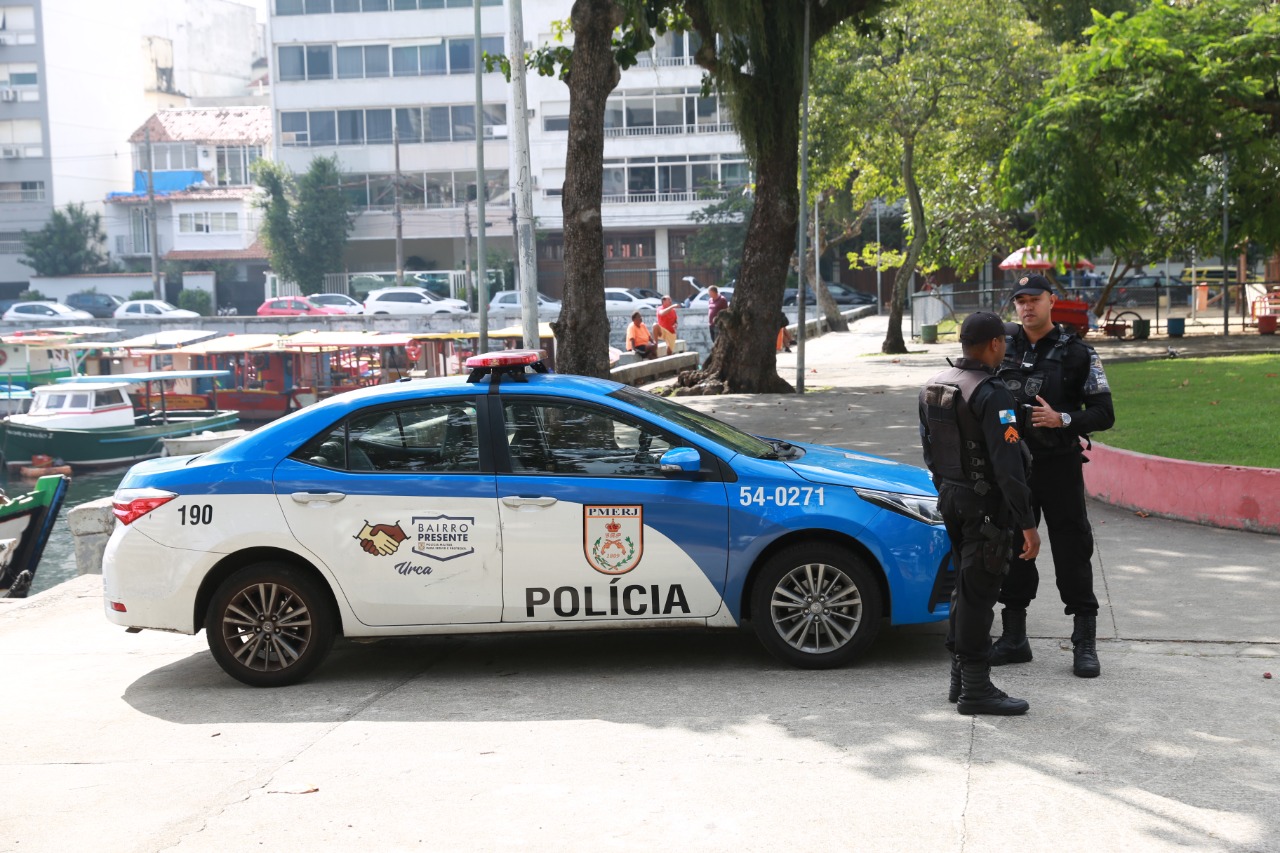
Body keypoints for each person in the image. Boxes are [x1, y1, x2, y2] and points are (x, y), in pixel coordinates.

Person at [992, 273, 1115, 678]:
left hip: (1059, 467)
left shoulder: (1079, 353)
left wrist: (1062, 418)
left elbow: (1104, 413)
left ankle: (1084, 644)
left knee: (1071, 551)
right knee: (1014, 550)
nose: (1026, 307)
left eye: (1034, 299)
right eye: (1019, 301)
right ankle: (1013, 639)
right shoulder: (1001, 346)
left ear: (1051, 301)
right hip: (1013, 469)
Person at [920, 311, 1040, 716]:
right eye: (1003, 340)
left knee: (965, 588)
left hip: (951, 498)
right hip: (986, 507)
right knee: (980, 593)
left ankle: (960, 679)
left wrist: (949, 490)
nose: (1006, 346)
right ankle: (975, 689)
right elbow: (1008, 465)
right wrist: (1027, 523)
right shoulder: (993, 392)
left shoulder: (935, 385)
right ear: (993, 344)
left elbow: (930, 452)